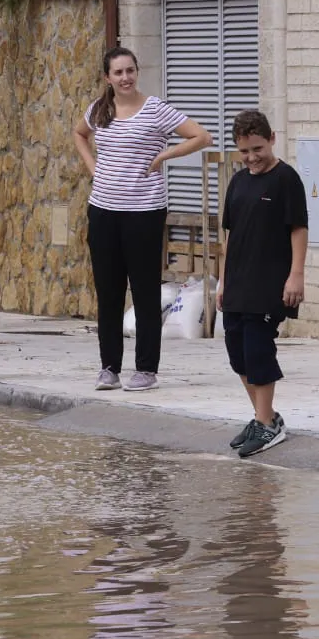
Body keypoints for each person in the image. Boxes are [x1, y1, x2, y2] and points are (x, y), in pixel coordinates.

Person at [73, 46, 211, 393]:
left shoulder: (156, 110)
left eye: (130, 70)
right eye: (118, 72)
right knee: (109, 292)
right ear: (108, 77)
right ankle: (109, 368)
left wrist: (166, 153)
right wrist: (94, 169)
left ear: (137, 71)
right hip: (103, 212)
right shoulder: (99, 110)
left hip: (144, 213)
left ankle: (146, 370)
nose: (125, 77)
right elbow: (78, 134)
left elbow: (201, 136)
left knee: (146, 292)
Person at [216, 110, 308, 458]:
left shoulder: (287, 180)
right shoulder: (239, 182)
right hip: (237, 280)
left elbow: (298, 229)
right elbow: (230, 235)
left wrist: (296, 274)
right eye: (244, 152)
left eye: (257, 148)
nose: (252, 157)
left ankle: (267, 424)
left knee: (257, 350)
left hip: (270, 281)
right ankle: (264, 417)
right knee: (237, 354)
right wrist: (222, 282)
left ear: (272, 139)